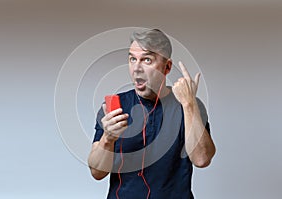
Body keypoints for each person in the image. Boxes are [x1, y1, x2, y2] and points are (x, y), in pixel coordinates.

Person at [88, 29, 216, 199]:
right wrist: (108, 138)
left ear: (167, 67)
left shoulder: (189, 104)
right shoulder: (114, 106)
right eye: (132, 59)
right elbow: (97, 173)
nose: (137, 68)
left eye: (147, 60)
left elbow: (202, 160)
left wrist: (189, 104)